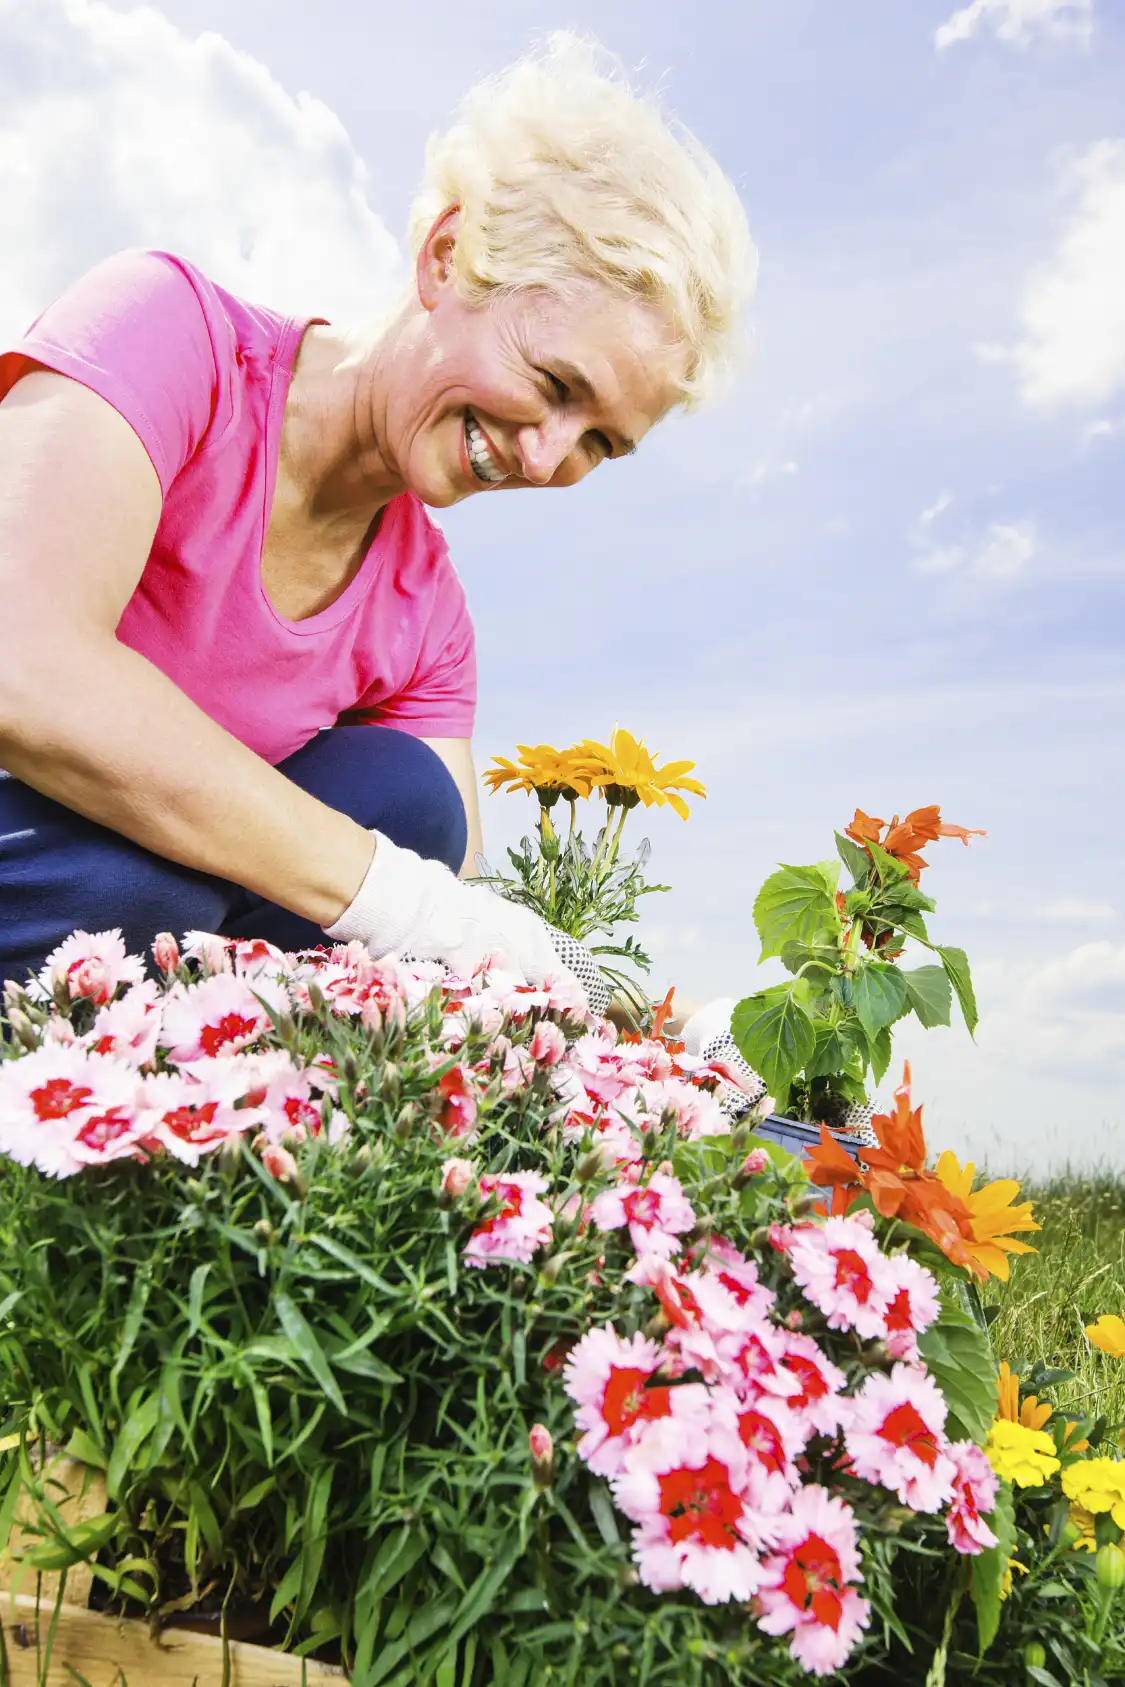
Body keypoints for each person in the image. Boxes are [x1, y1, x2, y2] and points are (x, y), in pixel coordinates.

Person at [0, 34, 755, 995]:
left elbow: (449, 890)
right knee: (138, 892)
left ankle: (211, 1065)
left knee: (414, 803)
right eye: (554, 381)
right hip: (39, 864)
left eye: (598, 443)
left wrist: (617, 1015)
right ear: (447, 257)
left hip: (147, 929)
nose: (543, 454)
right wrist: (399, 901)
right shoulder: (171, 333)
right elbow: (19, 661)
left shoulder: (426, 615)